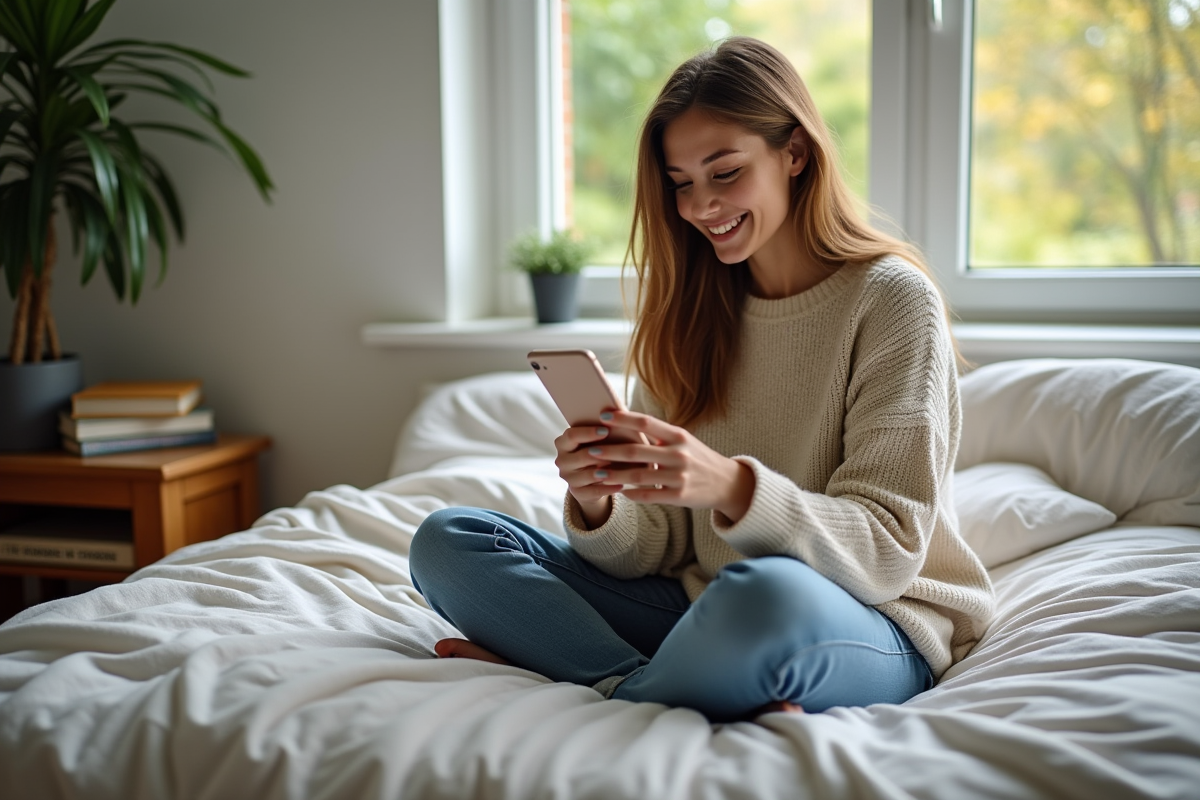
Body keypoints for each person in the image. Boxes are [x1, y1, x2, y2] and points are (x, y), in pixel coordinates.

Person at [408, 36, 995, 723]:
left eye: (724, 172)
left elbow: (888, 550)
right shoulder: (687, 308)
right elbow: (656, 548)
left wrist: (729, 485)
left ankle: (600, 678)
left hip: (870, 620)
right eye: (681, 182)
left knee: (762, 595)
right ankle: (632, 684)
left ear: (795, 154)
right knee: (449, 541)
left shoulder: (891, 299)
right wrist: (600, 500)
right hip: (699, 609)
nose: (701, 205)